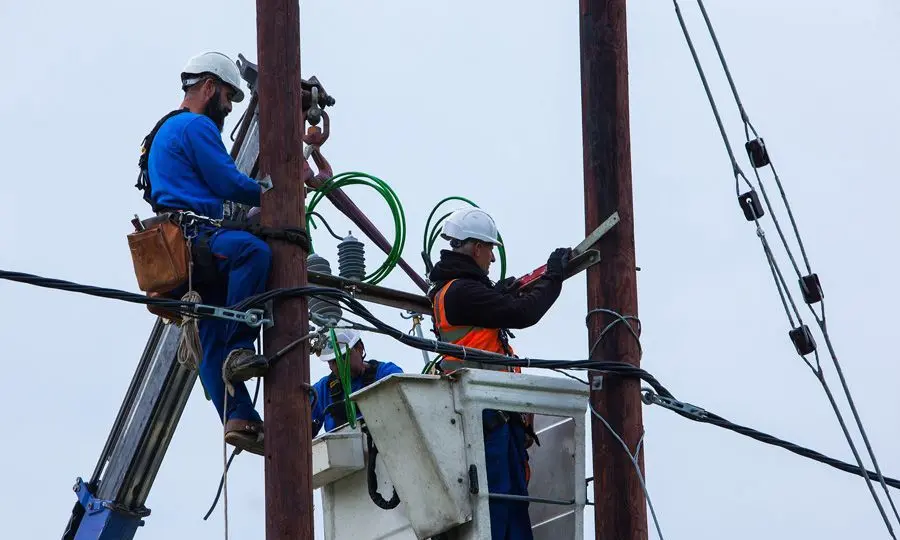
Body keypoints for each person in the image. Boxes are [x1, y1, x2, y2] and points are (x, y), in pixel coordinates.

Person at [146, 51, 271, 455]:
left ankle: (239, 417)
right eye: (228, 98)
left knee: (210, 334)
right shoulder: (196, 125)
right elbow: (227, 181)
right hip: (195, 238)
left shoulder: (163, 131)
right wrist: (278, 192)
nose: (229, 108)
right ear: (209, 87)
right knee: (253, 253)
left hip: (179, 245)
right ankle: (242, 347)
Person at [427, 207, 571, 540]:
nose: (492, 258)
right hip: (490, 419)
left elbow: (491, 310)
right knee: (501, 511)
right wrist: (552, 278)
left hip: (489, 414)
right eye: (490, 249)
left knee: (506, 507)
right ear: (476, 248)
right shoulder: (461, 292)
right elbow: (523, 313)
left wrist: (502, 293)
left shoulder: (451, 291)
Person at [310, 329, 403, 437]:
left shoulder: (386, 374)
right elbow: (300, 420)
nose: (338, 366)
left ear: (360, 348)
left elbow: (401, 412)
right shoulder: (324, 389)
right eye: (332, 361)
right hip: (343, 451)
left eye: (343, 357)